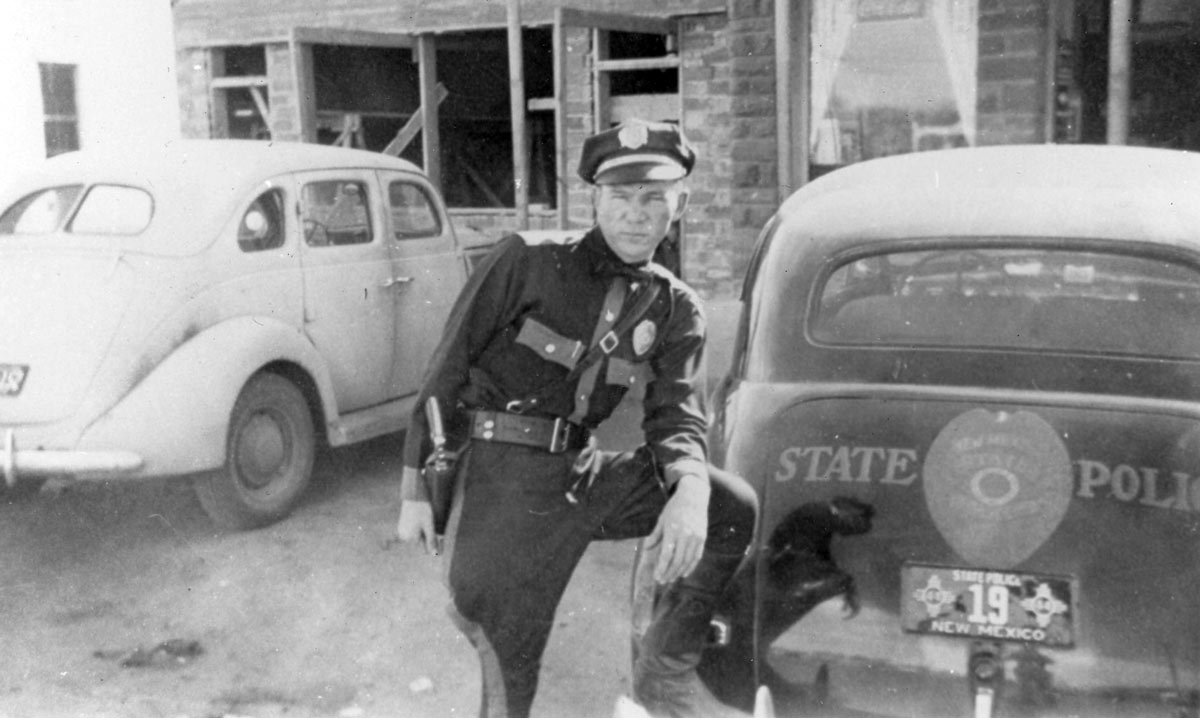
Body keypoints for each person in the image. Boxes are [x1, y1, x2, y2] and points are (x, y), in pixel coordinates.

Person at [396, 119, 757, 718]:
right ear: (595, 200)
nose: (636, 215)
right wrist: (415, 488)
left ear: (682, 203)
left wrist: (689, 488)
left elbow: (676, 417)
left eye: (654, 199)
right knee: (510, 676)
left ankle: (664, 675)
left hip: (581, 478)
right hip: (500, 484)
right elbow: (447, 366)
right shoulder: (527, 260)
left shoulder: (674, 307)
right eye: (620, 197)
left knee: (728, 506)